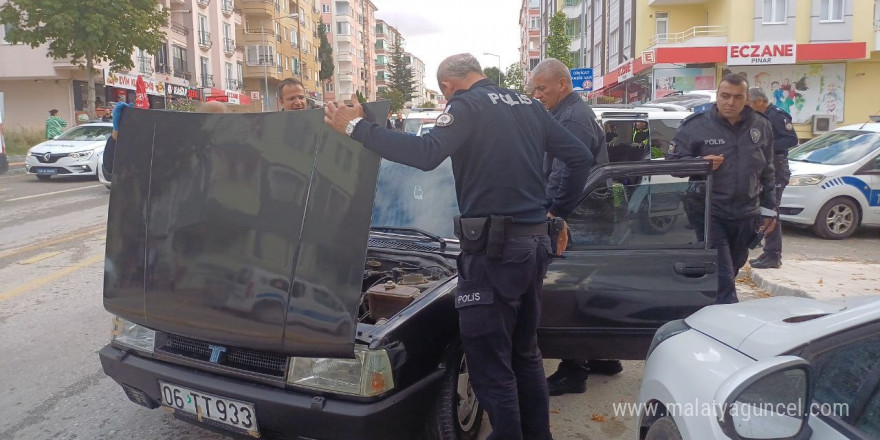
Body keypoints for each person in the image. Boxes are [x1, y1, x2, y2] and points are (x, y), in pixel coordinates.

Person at [324, 53, 592, 440]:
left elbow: (425, 154)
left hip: (494, 253)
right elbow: (580, 157)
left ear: (447, 87)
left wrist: (356, 128)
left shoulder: (466, 106)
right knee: (525, 354)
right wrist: (555, 211)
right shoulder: (528, 105)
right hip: (533, 246)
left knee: (489, 364)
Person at [528, 58, 621, 396]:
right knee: (589, 287)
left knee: (568, 292)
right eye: (534, 89)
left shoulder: (571, 117)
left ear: (562, 85)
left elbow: (566, 170)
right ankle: (602, 356)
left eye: (542, 88)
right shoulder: (568, 112)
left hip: (578, 214)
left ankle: (574, 371)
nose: (537, 94)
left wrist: (553, 212)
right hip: (589, 211)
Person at [667, 74, 777, 304]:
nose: (730, 102)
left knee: (731, 269)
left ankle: (706, 306)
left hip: (746, 214)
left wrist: (769, 209)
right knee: (723, 274)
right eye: (725, 96)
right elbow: (673, 165)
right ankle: (727, 322)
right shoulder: (696, 126)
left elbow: (768, 170)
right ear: (717, 96)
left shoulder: (761, 125)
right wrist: (700, 163)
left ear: (746, 99)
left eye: (737, 97)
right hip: (709, 212)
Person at [747, 88, 798, 269]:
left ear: (760, 101)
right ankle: (769, 252)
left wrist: (766, 145)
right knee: (764, 210)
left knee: (771, 211)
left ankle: (773, 255)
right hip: (765, 168)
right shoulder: (758, 118)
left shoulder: (776, 116)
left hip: (777, 168)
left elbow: (792, 140)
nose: (749, 108)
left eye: (751, 104)